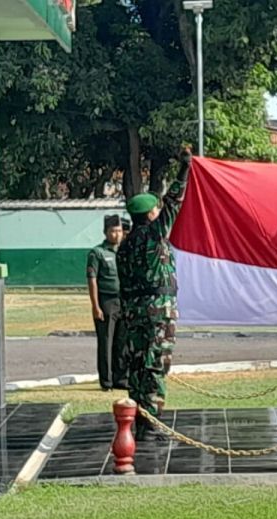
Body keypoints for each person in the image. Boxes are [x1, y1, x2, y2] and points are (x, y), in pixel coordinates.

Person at [118, 147, 192, 441]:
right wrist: (184, 169)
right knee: (155, 364)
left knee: (137, 365)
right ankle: (151, 425)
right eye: (156, 211)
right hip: (157, 312)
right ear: (150, 214)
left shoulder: (125, 246)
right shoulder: (154, 235)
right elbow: (174, 202)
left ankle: (138, 419)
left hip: (133, 313)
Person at [87, 215, 128, 391]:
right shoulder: (97, 253)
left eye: (119, 231)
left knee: (122, 342)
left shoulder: (124, 251)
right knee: (106, 342)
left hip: (123, 301)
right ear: (105, 232)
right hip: (106, 301)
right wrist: (95, 306)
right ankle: (107, 381)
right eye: (112, 231)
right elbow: (92, 280)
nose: (116, 234)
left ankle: (121, 379)